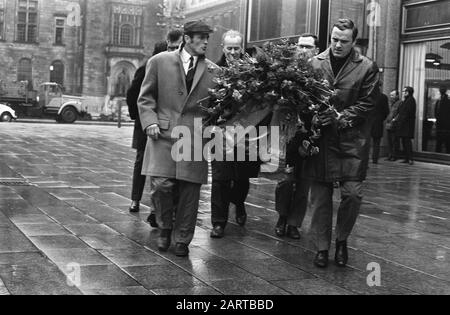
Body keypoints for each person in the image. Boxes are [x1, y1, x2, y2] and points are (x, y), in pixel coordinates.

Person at [303, 19, 379, 268]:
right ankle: (322, 248)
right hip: (321, 140)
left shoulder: (367, 67)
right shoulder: (314, 63)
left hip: (351, 142)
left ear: (353, 42)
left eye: (343, 41)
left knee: (353, 195)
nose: (337, 44)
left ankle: (342, 239)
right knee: (320, 198)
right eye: (334, 39)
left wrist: (340, 117)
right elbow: (303, 97)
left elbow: (368, 104)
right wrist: (311, 114)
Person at [138, 21, 218, 257]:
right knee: (161, 185)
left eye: (207, 38)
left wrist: (214, 128)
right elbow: (145, 98)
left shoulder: (214, 71)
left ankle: (183, 239)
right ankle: (164, 228)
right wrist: (149, 121)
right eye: (201, 37)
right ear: (187, 38)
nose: (205, 41)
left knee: (190, 191)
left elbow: (218, 108)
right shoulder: (159, 62)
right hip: (162, 133)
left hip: (194, 137)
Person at [127, 30, 183, 228]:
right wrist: (141, 119)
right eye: (169, 49)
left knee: (159, 168)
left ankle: (157, 209)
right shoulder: (148, 67)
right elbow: (134, 94)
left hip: (165, 123)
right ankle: (136, 199)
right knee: (144, 162)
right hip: (147, 124)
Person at [210, 30, 261, 239]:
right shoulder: (214, 71)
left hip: (246, 132)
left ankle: (239, 203)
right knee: (221, 177)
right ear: (223, 47)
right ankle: (218, 222)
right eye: (229, 48)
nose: (232, 52)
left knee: (242, 176)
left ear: (242, 48)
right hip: (221, 132)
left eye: (236, 48)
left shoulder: (253, 71)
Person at [274, 34, 319, 240]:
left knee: (304, 183)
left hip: (311, 135)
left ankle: (294, 223)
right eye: (300, 45)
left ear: (316, 50)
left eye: (307, 46)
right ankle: (282, 216)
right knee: (285, 180)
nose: (303, 49)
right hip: (288, 135)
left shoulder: (319, 72)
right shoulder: (286, 71)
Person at [394, 87, 416, 165]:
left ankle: (410, 158)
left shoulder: (411, 100)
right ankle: (406, 158)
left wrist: (401, 120)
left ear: (408, 92)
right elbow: (401, 111)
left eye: (404, 91)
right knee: (404, 141)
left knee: (407, 142)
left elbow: (407, 113)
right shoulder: (406, 100)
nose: (403, 92)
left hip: (407, 125)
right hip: (404, 125)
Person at [371, 84, 389, 164]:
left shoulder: (368, 96)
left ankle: (365, 158)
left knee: (366, 141)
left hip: (369, 122)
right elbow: (386, 111)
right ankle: (375, 159)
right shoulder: (383, 97)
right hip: (378, 122)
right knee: (376, 142)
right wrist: (381, 118)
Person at [385, 90, 402, 161]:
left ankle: (395, 156)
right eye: (390, 95)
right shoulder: (391, 103)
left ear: (397, 96)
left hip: (395, 125)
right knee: (389, 141)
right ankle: (390, 155)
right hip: (389, 124)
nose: (391, 97)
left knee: (394, 141)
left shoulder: (400, 103)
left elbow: (400, 113)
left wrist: (395, 119)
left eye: (392, 95)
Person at [435, 87, 450, 154]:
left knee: (446, 141)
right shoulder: (439, 100)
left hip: (445, 125)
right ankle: (438, 154)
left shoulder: (447, 100)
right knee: (440, 141)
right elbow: (436, 111)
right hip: (441, 124)